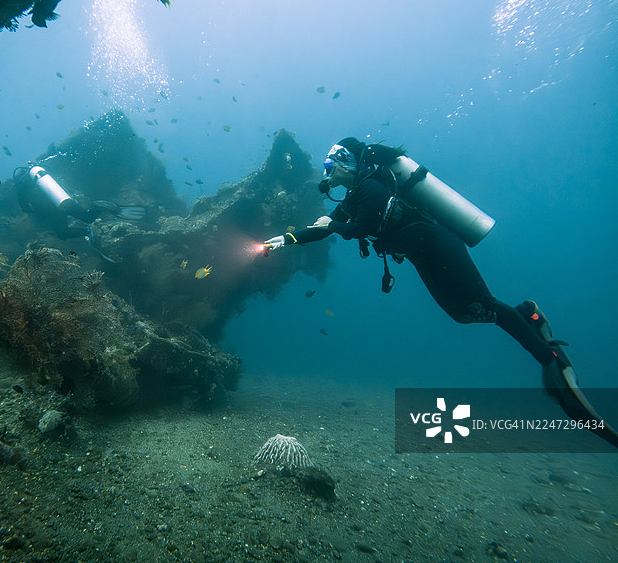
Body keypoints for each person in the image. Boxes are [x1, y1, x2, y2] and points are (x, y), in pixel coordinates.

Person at [263, 137, 618, 449]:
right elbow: (326, 227)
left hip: (437, 244)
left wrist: (333, 224)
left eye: (330, 166)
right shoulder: (356, 195)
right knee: (462, 313)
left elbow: (360, 227)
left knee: (485, 305)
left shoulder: (371, 188)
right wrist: (289, 238)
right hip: (421, 254)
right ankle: (530, 314)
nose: (327, 174)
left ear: (345, 162)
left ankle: (549, 359)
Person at [13, 163, 145, 261]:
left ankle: (88, 231)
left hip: (53, 211)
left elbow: (26, 209)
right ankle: (98, 207)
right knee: (87, 216)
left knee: (62, 232)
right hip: (63, 199)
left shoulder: (20, 186)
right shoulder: (41, 174)